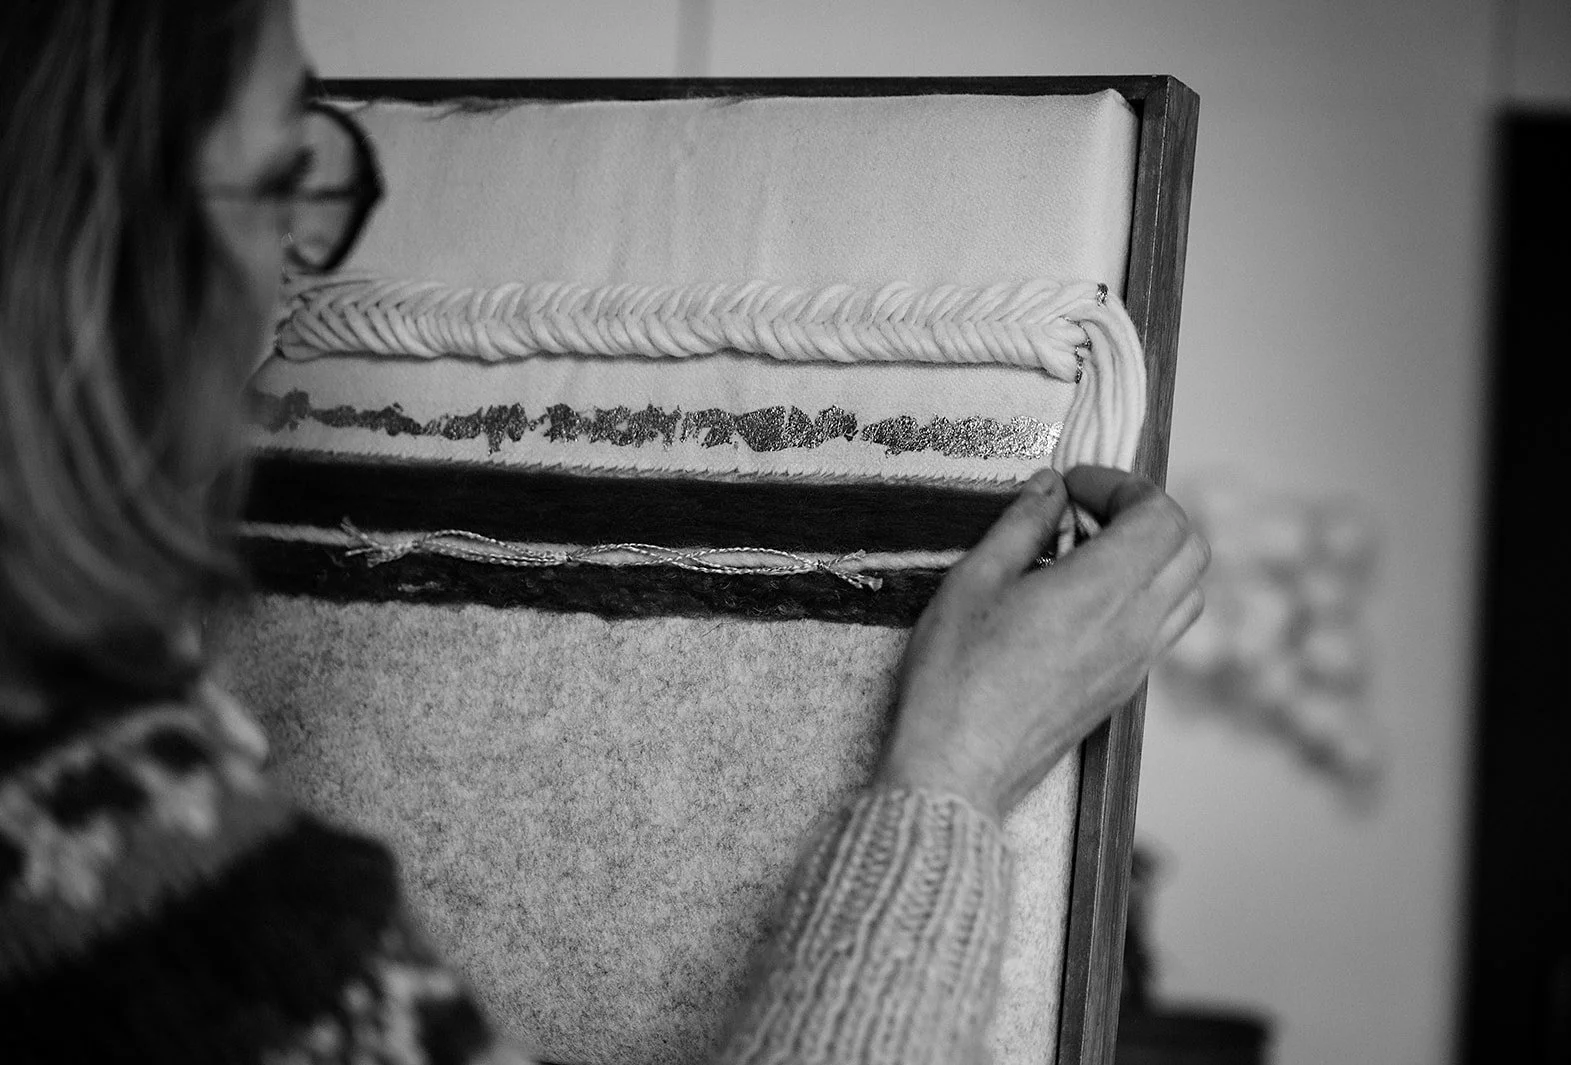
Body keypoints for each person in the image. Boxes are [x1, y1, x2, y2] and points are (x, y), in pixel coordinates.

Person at [0, 1, 1210, 1062]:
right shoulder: (112, 853)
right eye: (277, 183)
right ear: (83, 248)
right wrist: (953, 778)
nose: (296, 281)